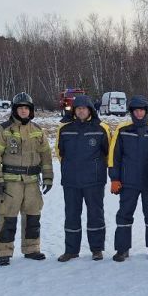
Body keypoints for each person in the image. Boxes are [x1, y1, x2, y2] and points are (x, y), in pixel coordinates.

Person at [0, 92, 54, 266]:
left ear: (31, 110)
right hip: (11, 182)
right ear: (14, 110)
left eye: (26, 108)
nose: (23, 111)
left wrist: (48, 178)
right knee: (7, 217)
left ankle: (32, 248)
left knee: (33, 216)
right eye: (20, 108)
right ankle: (3, 251)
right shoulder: (3, 130)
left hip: (32, 181)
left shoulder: (37, 131)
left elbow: (46, 156)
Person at [109, 95, 148, 261]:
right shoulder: (123, 129)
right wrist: (114, 178)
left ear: (146, 111)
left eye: (142, 110)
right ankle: (122, 249)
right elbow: (114, 157)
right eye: (136, 110)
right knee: (124, 215)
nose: (139, 113)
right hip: (128, 182)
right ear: (132, 112)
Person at [55, 95, 112, 262]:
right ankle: (71, 250)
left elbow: (108, 153)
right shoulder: (64, 128)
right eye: (78, 108)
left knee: (95, 214)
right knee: (71, 215)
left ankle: (97, 249)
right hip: (71, 180)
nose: (81, 111)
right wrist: (69, 167)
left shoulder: (101, 128)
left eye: (84, 108)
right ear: (74, 110)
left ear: (90, 110)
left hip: (94, 180)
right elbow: (60, 153)